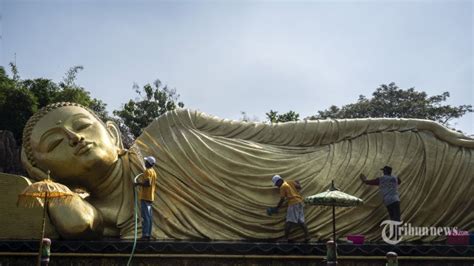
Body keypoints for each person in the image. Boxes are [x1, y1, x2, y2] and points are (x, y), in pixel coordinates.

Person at [10, 102, 473, 242]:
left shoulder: (174, 126)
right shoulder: (115, 219)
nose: (74, 139)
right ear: (42, 167)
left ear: (112, 131)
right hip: (330, 222)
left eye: (82, 126)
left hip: (359, 162)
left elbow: (296, 134)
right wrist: (56, 193)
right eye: (55, 144)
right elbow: (76, 225)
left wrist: (413, 123)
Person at [268, 175, 310, 242]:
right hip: (300, 202)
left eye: (276, 184)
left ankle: (285, 238)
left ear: (279, 181)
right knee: (301, 221)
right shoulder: (289, 182)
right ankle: (307, 236)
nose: (277, 186)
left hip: (293, 203)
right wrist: (297, 182)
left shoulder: (283, 186)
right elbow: (299, 186)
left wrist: (277, 208)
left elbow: (282, 199)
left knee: (289, 221)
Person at [134, 156, 157, 240]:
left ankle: (145, 235)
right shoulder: (153, 172)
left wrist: (138, 184)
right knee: (149, 217)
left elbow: (148, 183)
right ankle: (148, 234)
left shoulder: (147, 171)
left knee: (145, 216)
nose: (145, 162)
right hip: (150, 197)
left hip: (145, 196)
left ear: (149, 163)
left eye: (146, 161)